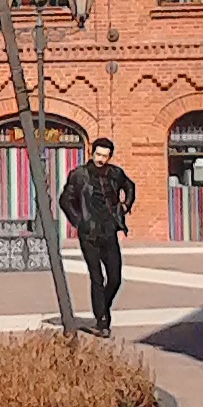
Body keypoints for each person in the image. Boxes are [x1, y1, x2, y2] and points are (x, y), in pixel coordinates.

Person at [59, 137, 136, 337]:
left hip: (109, 231)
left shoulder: (115, 174)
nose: (100, 159)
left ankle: (102, 308)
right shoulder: (79, 175)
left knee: (115, 278)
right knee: (97, 278)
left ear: (110, 156)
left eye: (104, 156)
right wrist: (79, 222)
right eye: (98, 154)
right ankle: (102, 321)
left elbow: (130, 186)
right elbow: (65, 200)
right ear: (91, 153)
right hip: (89, 234)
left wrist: (125, 205)